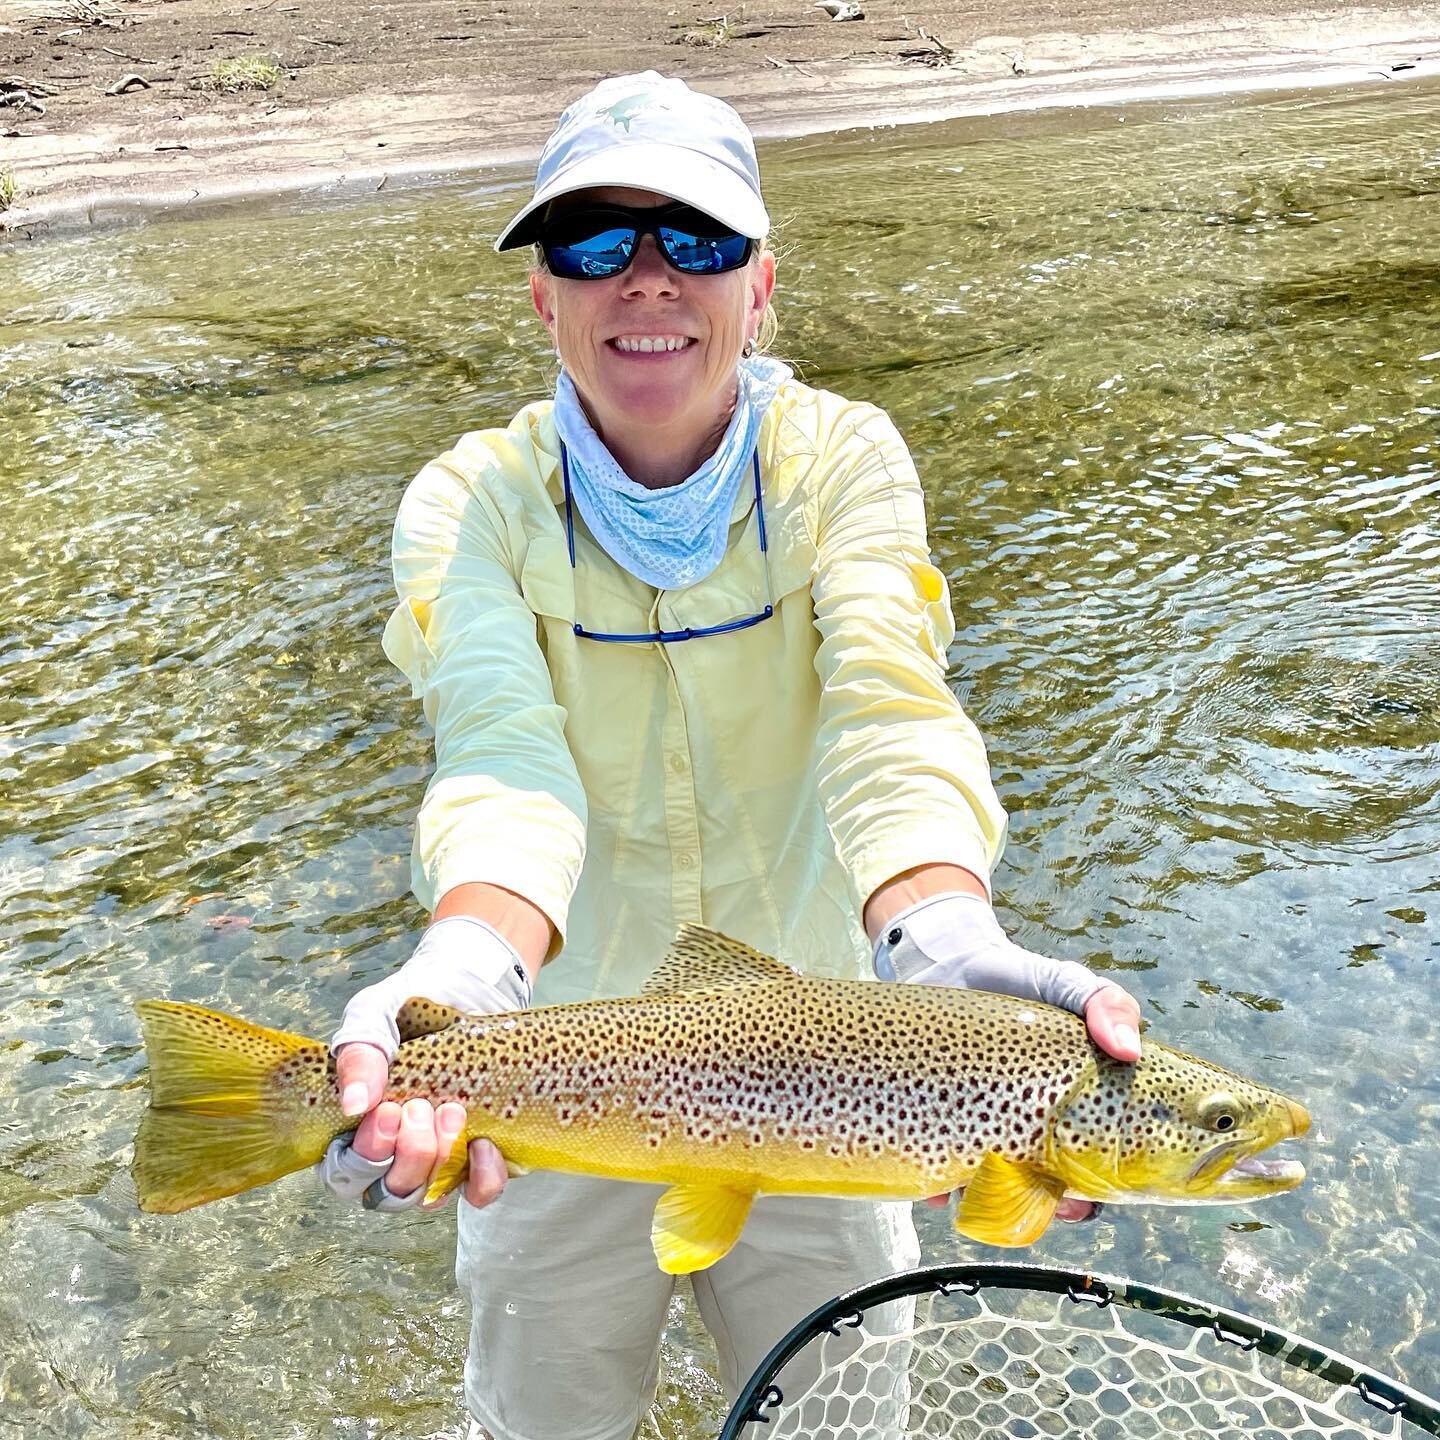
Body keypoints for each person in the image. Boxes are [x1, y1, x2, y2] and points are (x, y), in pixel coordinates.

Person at [317, 71, 1143, 1440]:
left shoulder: (845, 462)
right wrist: (455, 983)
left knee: (843, 1422)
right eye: (595, 243)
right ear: (545, 297)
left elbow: (892, 714)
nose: (647, 281)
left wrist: (943, 939)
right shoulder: (470, 503)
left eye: (694, 241)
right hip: (558, 1058)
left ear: (761, 288)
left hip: (837, 1074)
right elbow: (507, 767)